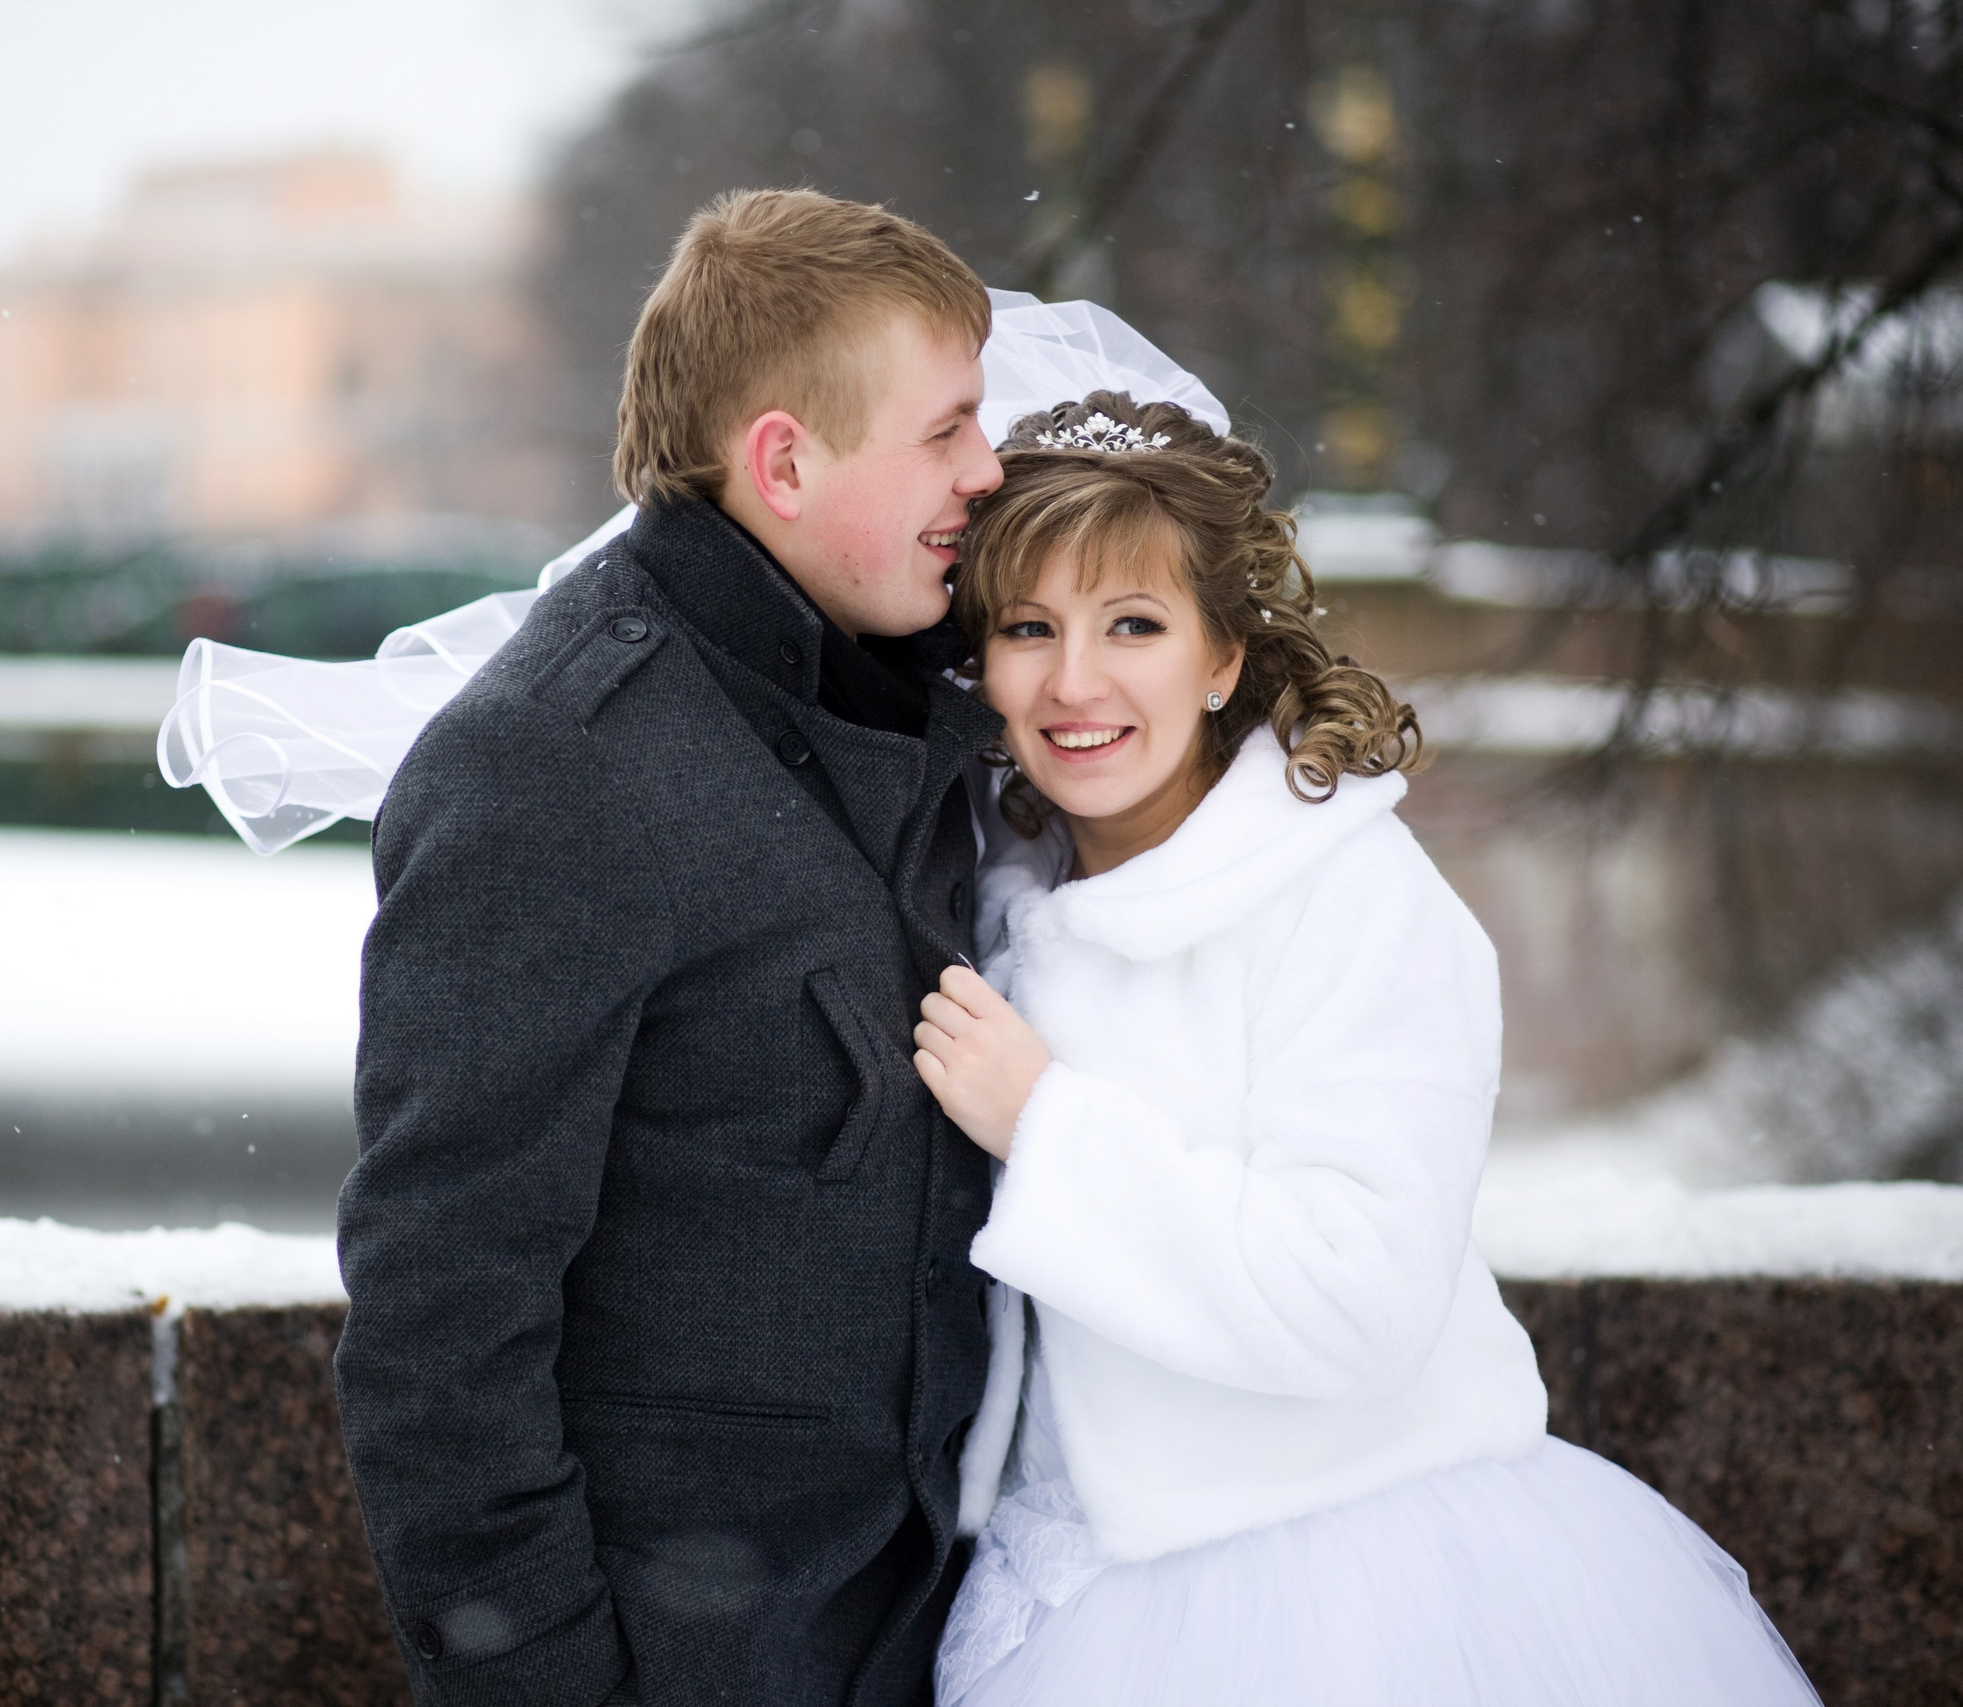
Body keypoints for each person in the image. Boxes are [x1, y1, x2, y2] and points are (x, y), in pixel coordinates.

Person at [908, 392, 1822, 1705]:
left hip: (1334, 1594)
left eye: (1135, 627)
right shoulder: (990, 894)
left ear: (1223, 656)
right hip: (1049, 1584)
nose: (1074, 683)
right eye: (1028, 629)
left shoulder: (1345, 896)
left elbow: (1358, 1298)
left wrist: (1051, 1129)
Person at [333, 188, 1008, 1706]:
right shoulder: (550, 763)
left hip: (939, 1641)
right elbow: (442, 1317)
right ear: (783, 459)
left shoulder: (928, 690)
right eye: (948, 430)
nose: (991, 467)